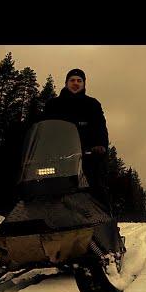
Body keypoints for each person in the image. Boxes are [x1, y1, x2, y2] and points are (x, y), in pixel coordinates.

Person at [42, 68, 111, 209]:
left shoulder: (92, 104)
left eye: (79, 81)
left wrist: (101, 145)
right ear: (66, 83)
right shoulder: (53, 104)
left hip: (86, 155)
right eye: (72, 80)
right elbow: (43, 127)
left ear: (84, 84)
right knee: (40, 184)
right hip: (56, 155)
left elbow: (100, 127)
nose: (75, 83)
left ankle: (107, 222)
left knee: (96, 186)